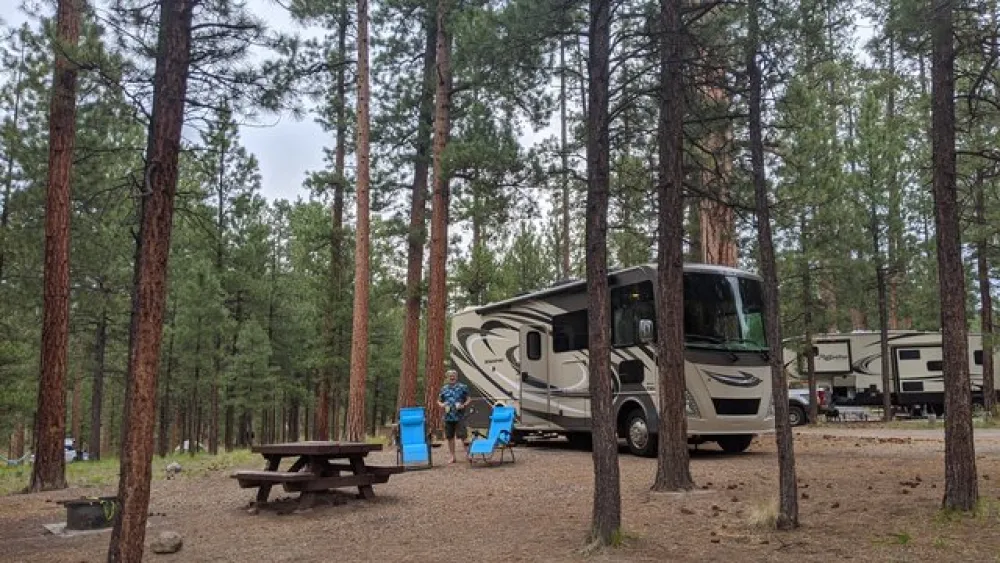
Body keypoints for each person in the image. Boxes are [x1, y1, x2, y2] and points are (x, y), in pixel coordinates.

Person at [437, 369, 470, 464]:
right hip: (448, 417)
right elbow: (439, 401)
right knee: (450, 437)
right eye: (450, 376)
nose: (452, 377)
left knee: (464, 436)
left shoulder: (463, 387)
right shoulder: (444, 389)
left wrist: (463, 405)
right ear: (447, 378)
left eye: (453, 376)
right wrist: (442, 405)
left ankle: (468, 455)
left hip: (460, 416)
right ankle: (452, 456)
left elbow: (468, 399)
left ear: (456, 377)